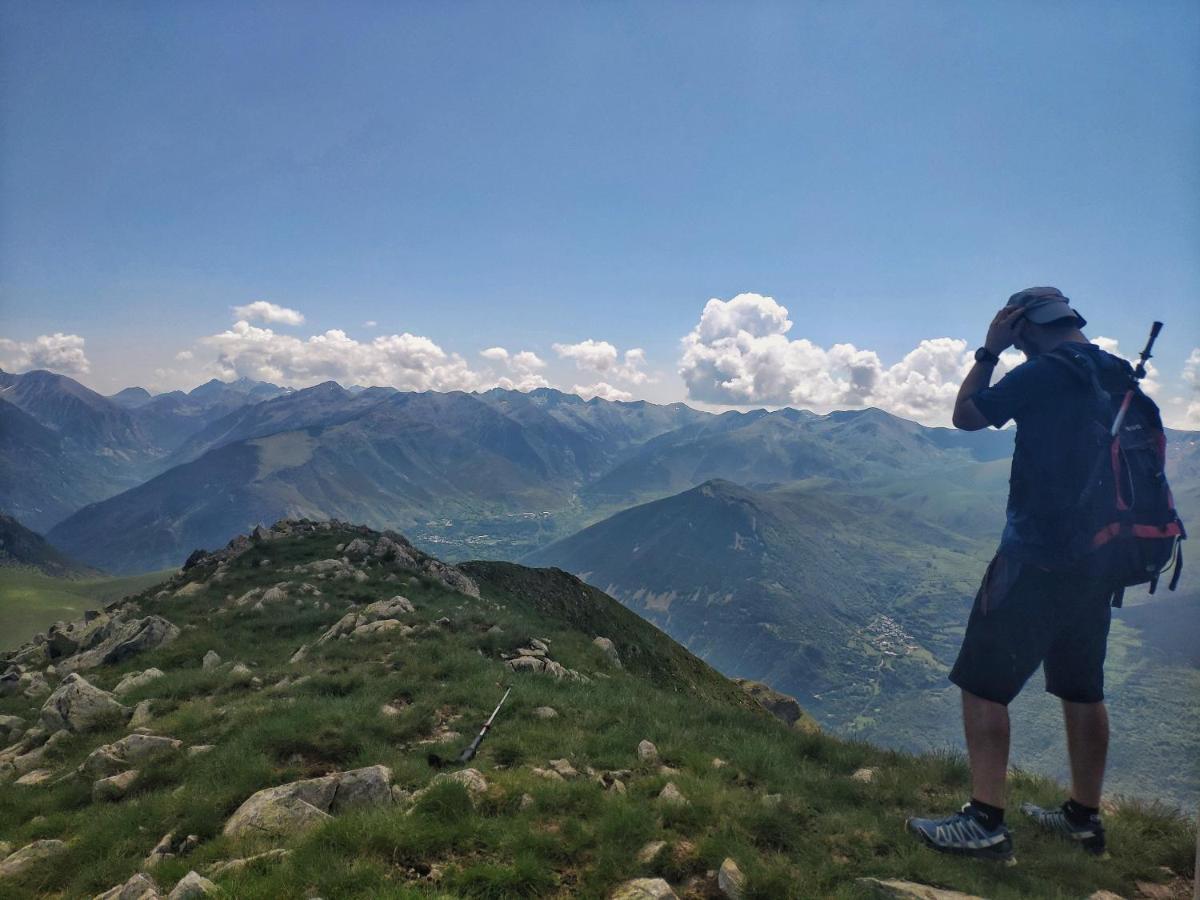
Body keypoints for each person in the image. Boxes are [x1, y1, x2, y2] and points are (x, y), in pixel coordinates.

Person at [906, 286, 1126, 861]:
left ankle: (985, 823)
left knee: (982, 684)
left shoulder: (1044, 373)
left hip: (1036, 556)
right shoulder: (1116, 371)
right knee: (1083, 688)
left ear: (1022, 326)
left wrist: (988, 351)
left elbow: (966, 417)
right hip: (1099, 562)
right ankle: (1083, 818)